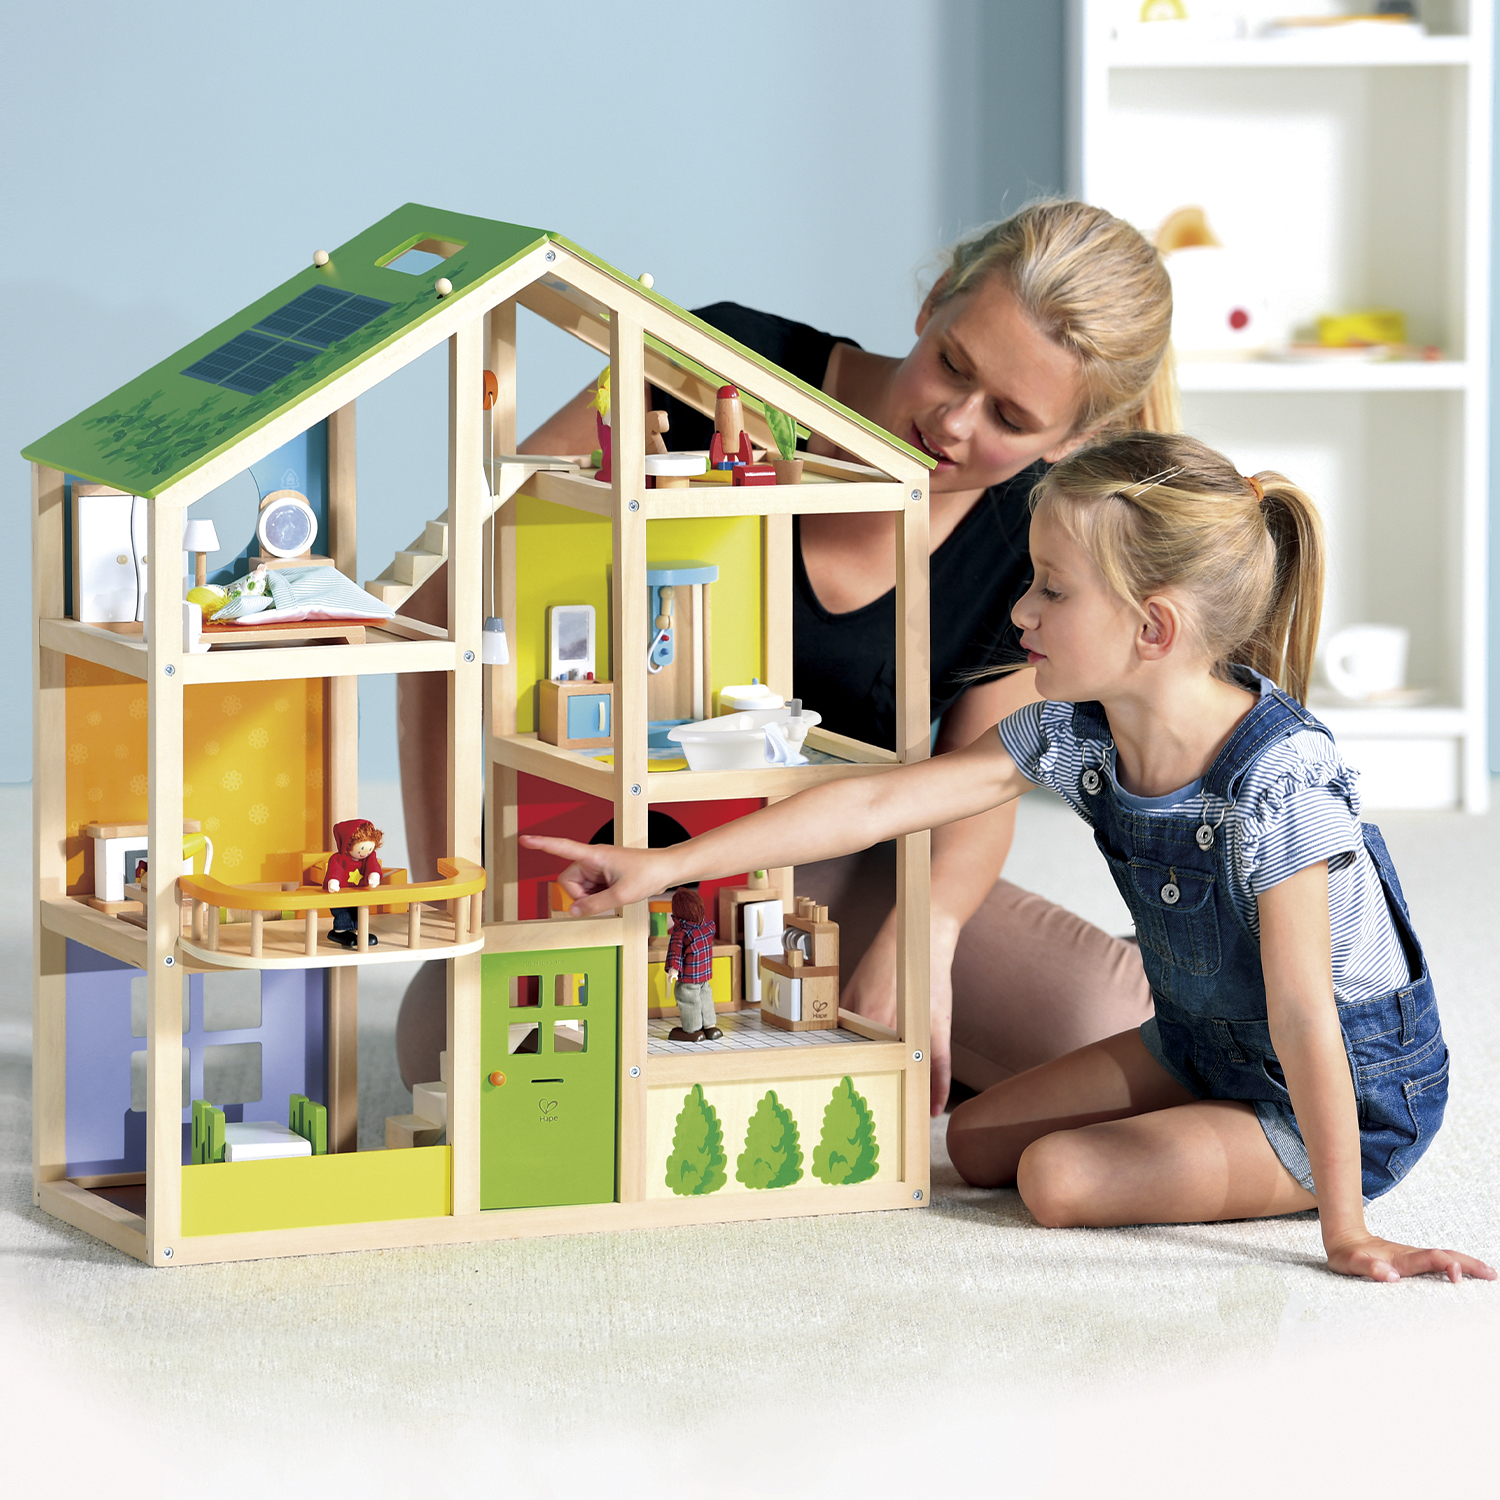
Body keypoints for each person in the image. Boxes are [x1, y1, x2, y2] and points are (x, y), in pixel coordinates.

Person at [521, 431, 1495, 1284]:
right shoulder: (1078, 731)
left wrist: (1348, 1232)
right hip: (1200, 1042)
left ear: (1152, 627)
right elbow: (878, 801)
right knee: (977, 1142)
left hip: (1340, 1093)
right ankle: (1203, 1126)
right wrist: (665, 867)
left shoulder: (1278, 785)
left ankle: (1293, 1166)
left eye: (1052, 590)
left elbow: (1305, 1014)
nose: (1021, 612)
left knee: (1054, 1179)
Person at [396, 200, 1175, 1109]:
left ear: (1071, 441)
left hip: (834, 857)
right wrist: (446, 888)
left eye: (1009, 416)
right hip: (618, 838)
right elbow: (443, 605)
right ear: (932, 304)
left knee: (1113, 1032)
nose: (954, 422)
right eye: (953, 364)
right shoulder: (714, 367)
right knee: (452, 1056)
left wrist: (925, 935)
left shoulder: (1027, 524)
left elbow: (982, 775)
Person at [663, 887, 720, 1042]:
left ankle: (693, 1029)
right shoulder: (706, 927)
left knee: (689, 999)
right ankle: (710, 1026)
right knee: (705, 996)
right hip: (704, 974)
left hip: (688, 977)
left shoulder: (681, 933)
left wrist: (673, 970)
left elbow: (675, 952)